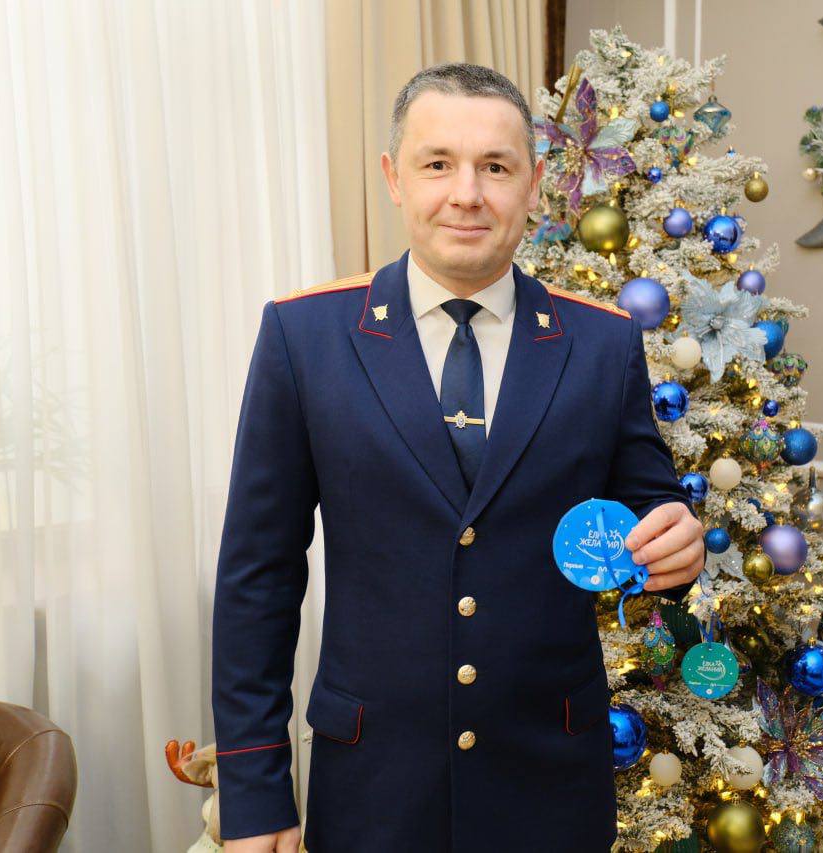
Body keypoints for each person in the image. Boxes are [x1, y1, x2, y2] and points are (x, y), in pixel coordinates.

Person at [211, 62, 704, 852]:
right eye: (438, 163)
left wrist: (676, 539)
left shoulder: (603, 343)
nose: (467, 194)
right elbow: (257, 578)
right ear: (394, 178)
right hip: (372, 787)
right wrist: (254, 791)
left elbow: (652, 509)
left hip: (550, 788)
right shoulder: (303, 338)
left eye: (496, 167)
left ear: (534, 185)